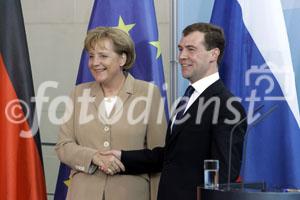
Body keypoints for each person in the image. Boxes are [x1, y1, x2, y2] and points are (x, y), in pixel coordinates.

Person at [100, 23, 248, 200]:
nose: (182, 56)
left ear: (213, 54)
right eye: (180, 49)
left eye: (191, 49)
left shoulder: (227, 106)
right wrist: (123, 156)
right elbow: (171, 156)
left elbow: (223, 177)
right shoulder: (186, 98)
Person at [55, 27, 167, 200]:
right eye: (91, 56)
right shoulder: (78, 93)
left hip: (131, 194)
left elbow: (158, 155)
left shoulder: (148, 93)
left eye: (103, 56)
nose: (94, 62)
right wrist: (94, 157)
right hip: (83, 194)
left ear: (123, 58)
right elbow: (63, 146)